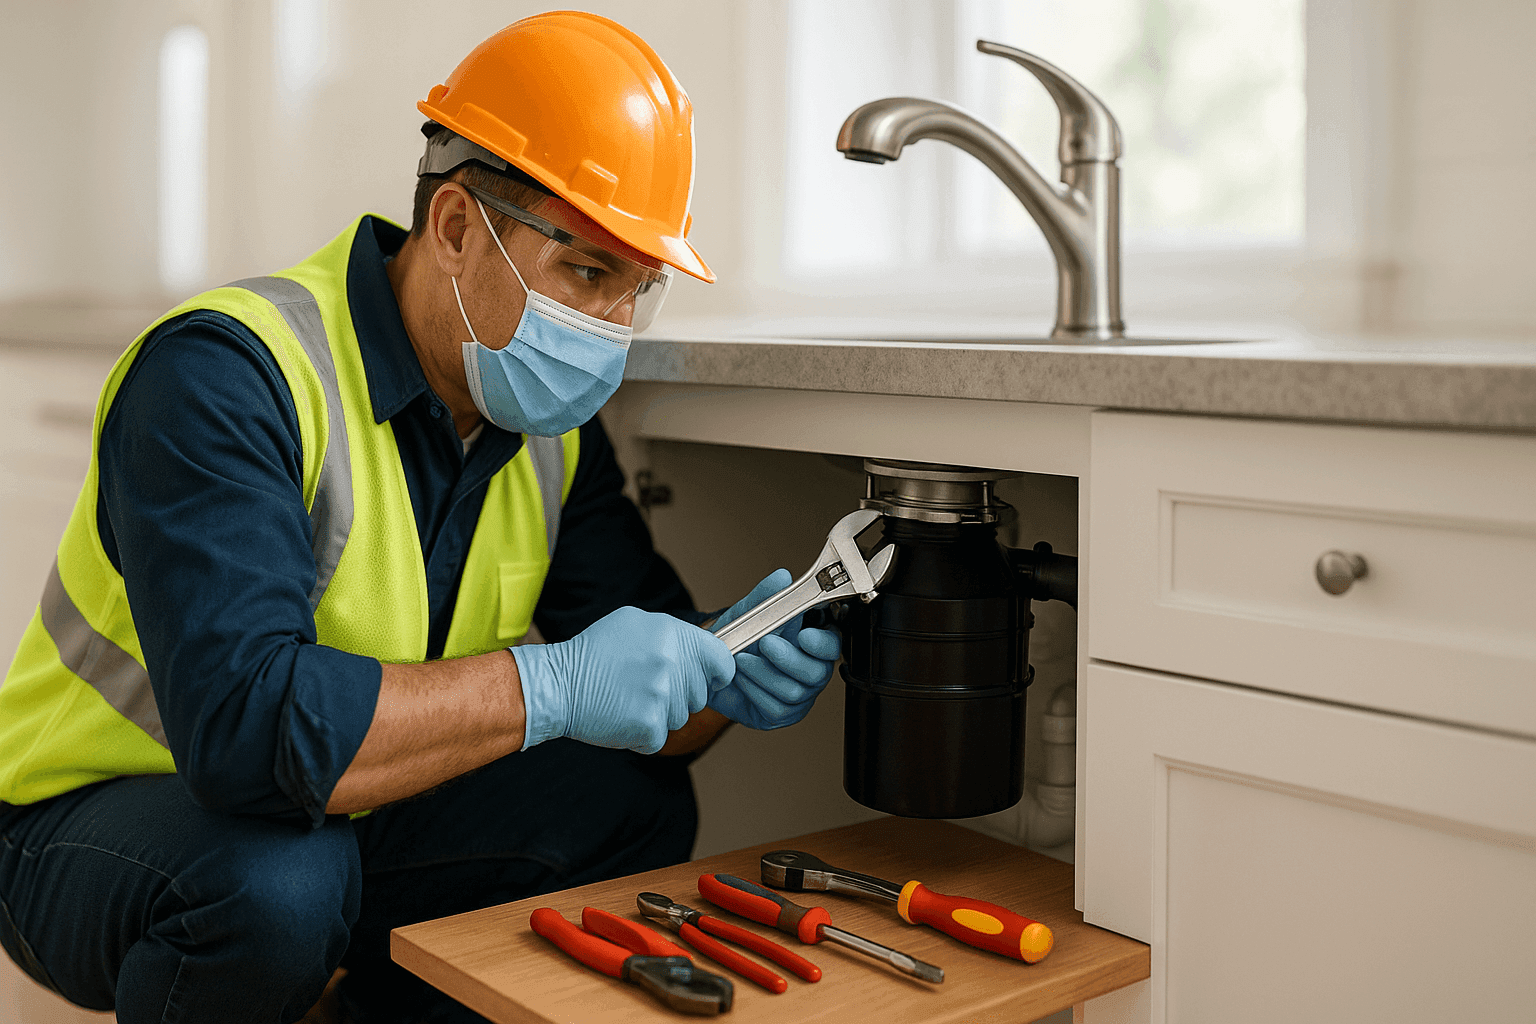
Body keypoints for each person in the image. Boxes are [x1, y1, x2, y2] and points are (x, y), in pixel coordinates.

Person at [0, 12, 839, 1024]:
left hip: (343, 811)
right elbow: (245, 734)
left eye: (638, 289)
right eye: (587, 272)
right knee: (275, 884)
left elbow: (648, 716)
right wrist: (556, 681)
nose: (611, 328)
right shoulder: (229, 375)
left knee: (628, 802)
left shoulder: (547, 430)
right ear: (453, 228)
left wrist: (722, 665)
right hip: (90, 821)